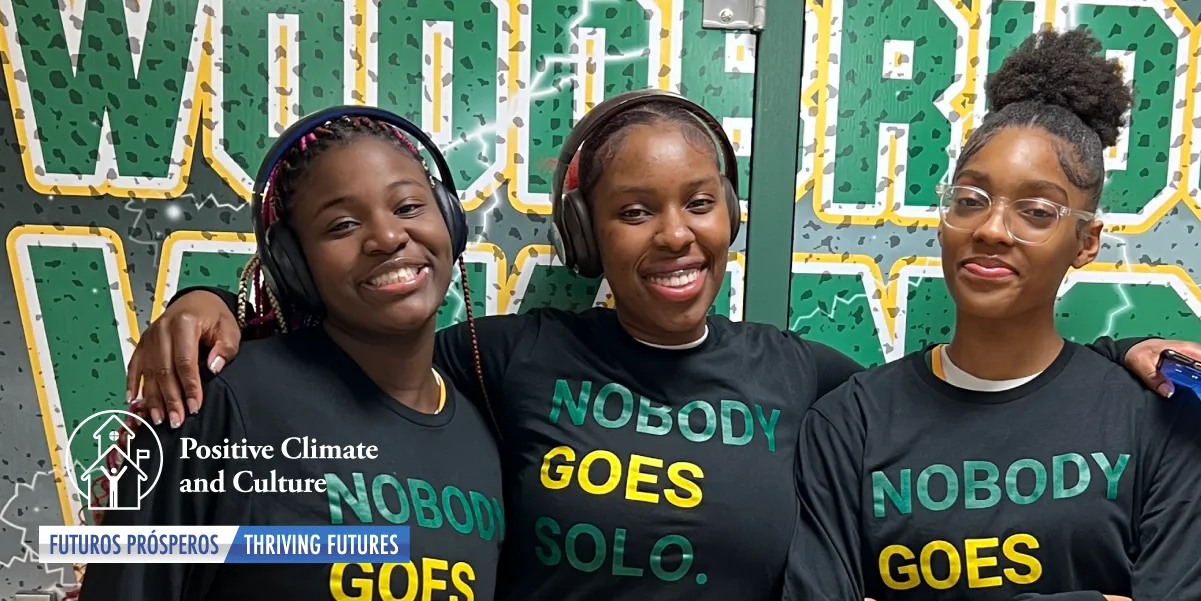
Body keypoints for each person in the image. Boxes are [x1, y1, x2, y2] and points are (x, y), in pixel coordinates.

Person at [120, 91, 1193, 601]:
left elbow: (960, 398)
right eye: (634, 210)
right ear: (589, 235)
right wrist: (218, 302)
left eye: (697, 203)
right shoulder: (502, 360)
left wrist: (1118, 359)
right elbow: (361, 342)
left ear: (731, 215)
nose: (674, 233)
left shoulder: (809, 380)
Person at [781, 28, 1201, 601]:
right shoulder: (850, 424)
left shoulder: (1155, 423)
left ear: (1087, 241)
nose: (991, 229)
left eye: (1035, 210)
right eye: (971, 199)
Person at [79, 108, 505, 601]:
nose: (388, 238)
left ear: (450, 220)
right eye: (342, 224)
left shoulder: (482, 430)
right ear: (293, 263)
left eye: (408, 207)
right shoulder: (221, 402)